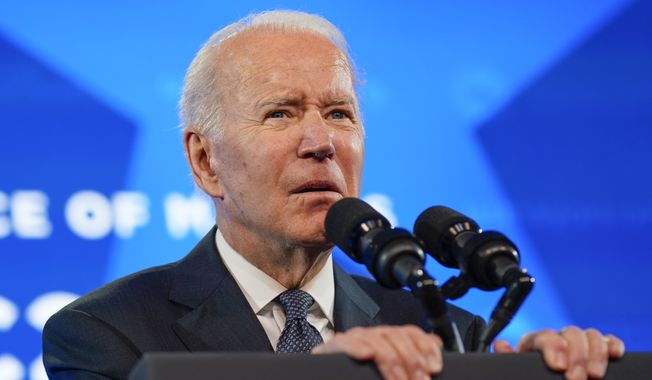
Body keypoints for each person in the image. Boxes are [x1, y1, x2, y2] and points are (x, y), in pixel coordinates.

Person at [42, 10, 624, 380]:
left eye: (340, 113)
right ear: (205, 160)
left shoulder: (449, 333)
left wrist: (556, 376)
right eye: (280, 113)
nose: (322, 143)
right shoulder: (105, 335)